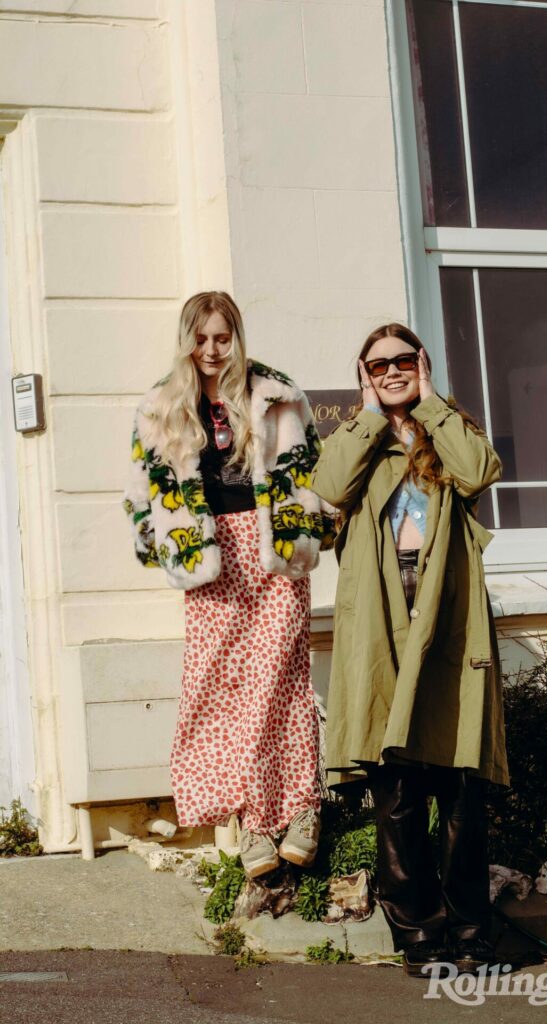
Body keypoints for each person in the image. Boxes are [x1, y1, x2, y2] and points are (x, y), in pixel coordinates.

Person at [310, 324, 509, 977]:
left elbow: (479, 472)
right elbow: (329, 487)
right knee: (395, 798)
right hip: (381, 633)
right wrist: (370, 413)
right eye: (378, 364)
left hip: (447, 630)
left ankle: (472, 933)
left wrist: (428, 402)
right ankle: (420, 938)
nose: (391, 370)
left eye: (403, 360)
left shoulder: (449, 428)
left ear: (420, 363)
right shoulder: (356, 440)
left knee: (459, 792)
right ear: (363, 372)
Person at [123, 291, 334, 878]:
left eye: (222, 337)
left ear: (237, 337)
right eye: (201, 337)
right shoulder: (162, 405)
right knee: (218, 683)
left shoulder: (277, 395)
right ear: (186, 338)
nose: (211, 349)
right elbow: (142, 493)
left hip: (271, 549)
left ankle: (298, 810)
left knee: (281, 677)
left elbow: (310, 472)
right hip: (210, 555)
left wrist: (313, 528)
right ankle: (248, 815)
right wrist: (162, 543)